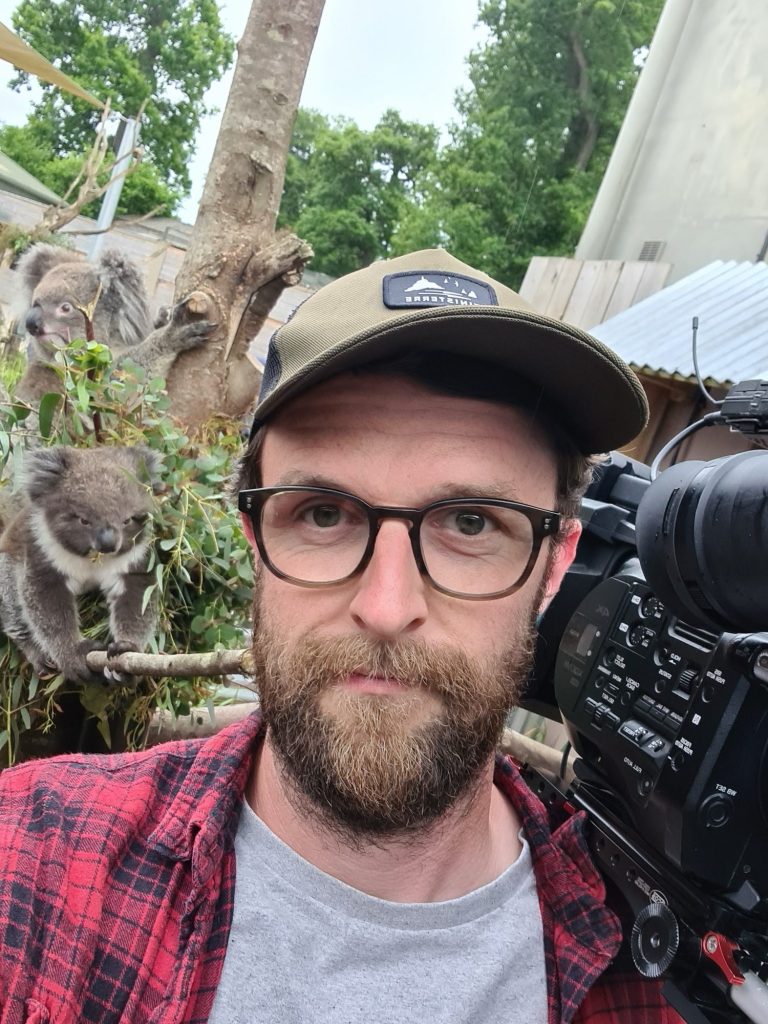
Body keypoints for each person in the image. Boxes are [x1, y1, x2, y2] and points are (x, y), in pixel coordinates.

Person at [0, 249, 682, 1024]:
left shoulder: (661, 964)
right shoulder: (33, 861)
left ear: (554, 564)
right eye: (322, 513)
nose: (387, 607)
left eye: (470, 523)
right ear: (255, 539)